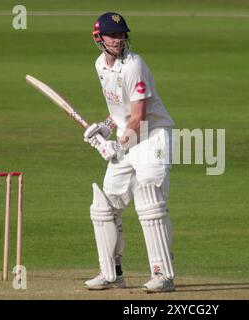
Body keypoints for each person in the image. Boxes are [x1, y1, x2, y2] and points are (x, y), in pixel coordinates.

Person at [83, 12, 176, 293]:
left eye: (122, 34)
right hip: (130, 135)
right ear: (98, 38)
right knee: (106, 206)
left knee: (149, 201)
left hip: (152, 138)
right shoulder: (100, 64)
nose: (119, 39)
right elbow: (121, 112)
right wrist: (105, 127)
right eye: (113, 35)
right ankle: (112, 273)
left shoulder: (134, 65)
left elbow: (139, 116)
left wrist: (117, 145)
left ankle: (162, 275)